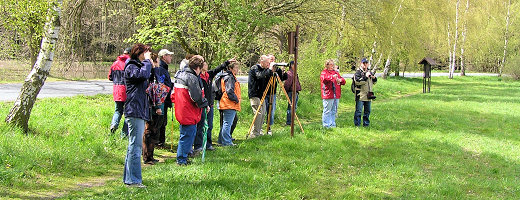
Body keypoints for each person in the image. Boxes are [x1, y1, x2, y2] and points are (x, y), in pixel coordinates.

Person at [123, 43, 152, 188]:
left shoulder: (136, 66)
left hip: (138, 110)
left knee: (133, 146)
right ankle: (134, 180)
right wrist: (147, 61)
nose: (148, 56)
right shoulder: (131, 67)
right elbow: (144, 74)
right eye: (145, 53)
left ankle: (129, 179)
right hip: (134, 111)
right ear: (138, 53)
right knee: (135, 147)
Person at [193, 59, 235, 152]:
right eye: (204, 64)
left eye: (206, 64)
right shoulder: (198, 77)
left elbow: (217, 69)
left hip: (210, 104)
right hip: (202, 104)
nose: (206, 66)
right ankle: (198, 146)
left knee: (209, 126)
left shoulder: (209, 75)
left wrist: (227, 62)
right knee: (201, 125)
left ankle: (208, 144)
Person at [173, 55, 209, 165]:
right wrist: (205, 104)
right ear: (198, 68)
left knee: (186, 134)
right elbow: (196, 97)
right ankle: (181, 159)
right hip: (188, 111)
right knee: (187, 135)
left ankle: (184, 155)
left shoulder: (180, 74)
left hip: (181, 109)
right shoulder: (191, 78)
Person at [142, 52, 171, 165]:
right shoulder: (153, 74)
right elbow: (156, 91)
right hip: (154, 107)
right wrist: (158, 107)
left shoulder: (155, 73)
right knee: (150, 131)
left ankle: (150, 155)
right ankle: (147, 157)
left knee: (154, 131)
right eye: (157, 61)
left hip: (157, 105)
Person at [248, 55, 273, 138]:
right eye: (267, 62)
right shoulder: (254, 68)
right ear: (262, 62)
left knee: (262, 114)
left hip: (262, 94)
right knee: (258, 113)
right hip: (254, 94)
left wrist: (273, 71)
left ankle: (259, 131)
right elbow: (259, 76)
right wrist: (268, 70)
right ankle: (254, 133)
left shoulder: (265, 70)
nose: (268, 64)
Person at [217, 62, 241, 146]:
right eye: (236, 68)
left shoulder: (227, 76)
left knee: (225, 123)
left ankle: (221, 140)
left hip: (225, 102)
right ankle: (227, 142)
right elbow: (229, 91)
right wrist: (236, 100)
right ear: (230, 68)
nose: (237, 70)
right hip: (229, 103)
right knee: (227, 123)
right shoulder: (229, 77)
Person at [108, 48, 130, 137]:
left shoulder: (115, 64)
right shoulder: (129, 63)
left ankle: (114, 124)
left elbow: (110, 77)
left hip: (117, 91)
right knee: (127, 113)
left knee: (118, 110)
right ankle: (124, 134)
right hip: (127, 91)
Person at [264, 55, 287, 135]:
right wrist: (270, 69)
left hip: (272, 93)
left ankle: (269, 127)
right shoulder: (266, 69)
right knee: (263, 110)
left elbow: (282, 78)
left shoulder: (277, 70)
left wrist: (283, 70)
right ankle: (260, 127)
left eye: (274, 59)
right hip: (264, 92)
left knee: (271, 110)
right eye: (271, 59)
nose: (273, 61)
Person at [320, 59, 346, 128]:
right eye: (331, 64)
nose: (332, 66)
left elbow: (343, 81)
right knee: (327, 110)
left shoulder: (336, 72)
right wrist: (332, 77)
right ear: (327, 65)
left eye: (333, 64)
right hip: (328, 94)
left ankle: (332, 124)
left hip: (336, 94)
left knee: (334, 110)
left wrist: (340, 80)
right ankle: (326, 125)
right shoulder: (324, 72)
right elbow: (324, 79)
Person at [156, 49, 174, 147]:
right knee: (160, 121)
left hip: (166, 99)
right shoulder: (161, 69)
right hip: (162, 100)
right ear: (164, 57)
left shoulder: (164, 68)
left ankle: (160, 141)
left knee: (163, 121)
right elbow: (162, 85)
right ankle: (158, 141)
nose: (171, 57)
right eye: (169, 56)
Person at [354, 58, 377, 127]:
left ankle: (366, 124)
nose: (365, 65)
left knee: (367, 111)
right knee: (359, 111)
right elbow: (357, 82)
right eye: (364, 63)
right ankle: (357, 125)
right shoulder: (358, 72)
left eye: (366, 63)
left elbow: (375, 82)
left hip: (368, 95)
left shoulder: (369, 71)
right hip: (360, 95)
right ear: (361, 63)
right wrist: (365, 77)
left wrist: (373, 77)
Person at [283, 61, 301, 125]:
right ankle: (289, 122)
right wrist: (286, 91)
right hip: (292, 92)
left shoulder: (294, 73)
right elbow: (287, 84)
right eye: (295, 65)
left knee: (294, 107)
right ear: (292, 65)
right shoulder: (290, 73)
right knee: (291, 107)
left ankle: (291, 121)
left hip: (295, 92)